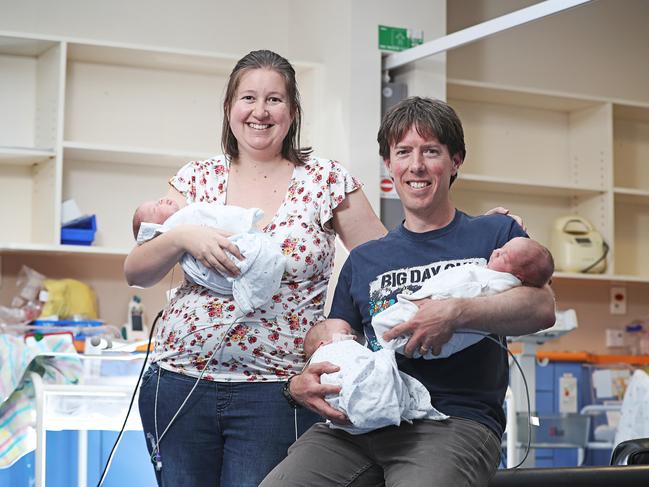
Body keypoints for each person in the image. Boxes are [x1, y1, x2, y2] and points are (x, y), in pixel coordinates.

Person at [125, 49, 525, 487]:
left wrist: (486, 236)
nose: (260, 111)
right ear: (229, 108)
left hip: (276, 389)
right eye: (248, 98)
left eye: (275, 100)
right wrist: (181, 237)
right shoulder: (195, 180)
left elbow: (393, 257)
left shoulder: (326, 180)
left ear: (293, 112)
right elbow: (137, 271)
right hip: (180, 379)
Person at [261, 97, 556, 487]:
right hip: (359, 421)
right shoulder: (365, 259)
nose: (416, 166)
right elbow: (330, 337)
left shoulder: (495, 236)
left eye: (431, 151)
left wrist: (455, 312)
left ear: (456, 162)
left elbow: (542, 307)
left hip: (451, 422)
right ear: (390, 165)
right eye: (404, 152)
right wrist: (300, 381)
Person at [373, 236, 554, 359]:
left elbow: (471, 289)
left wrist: (444, 306)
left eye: (504, 256)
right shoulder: (371, 252)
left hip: (459, 397)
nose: (497, 250)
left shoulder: (503, 281)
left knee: (389, 326)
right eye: (501, 248)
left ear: (519, 277)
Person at [132, 199, 286, 314]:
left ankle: (250, 282)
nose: (162, 200)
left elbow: (214, 216)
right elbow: (133, 275)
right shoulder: (174, 226)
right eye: (155, 208)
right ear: (155, 228)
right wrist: (180, 235)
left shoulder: (190, 212)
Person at [304, 319, 448, 435]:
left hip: (350, 425)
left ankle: (377, 407)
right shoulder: (329, 352)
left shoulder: (352, 347)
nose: (353, 337)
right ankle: (380, 405)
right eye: (345, 333)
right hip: (345, 408)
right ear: (322, 344)